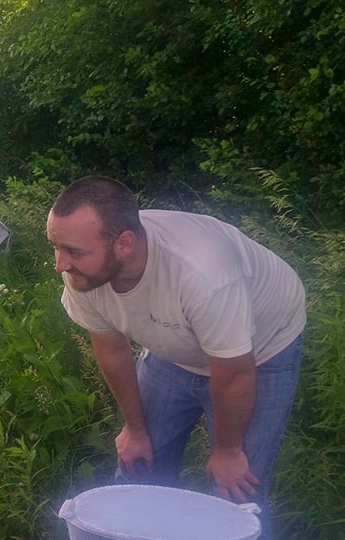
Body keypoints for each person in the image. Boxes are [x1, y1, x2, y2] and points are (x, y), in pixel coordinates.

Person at [45, 176, 305, 539]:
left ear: (124, 244)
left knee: (236, 493)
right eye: (55, 247)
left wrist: (227, 451)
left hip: (260, 351)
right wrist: (135, 429)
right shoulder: (84, 273)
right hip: (175, 348)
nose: (60, 264)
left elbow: (234, 373)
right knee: (137, 466)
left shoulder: (203, 273)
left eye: (73, 252)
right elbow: (111, 348)